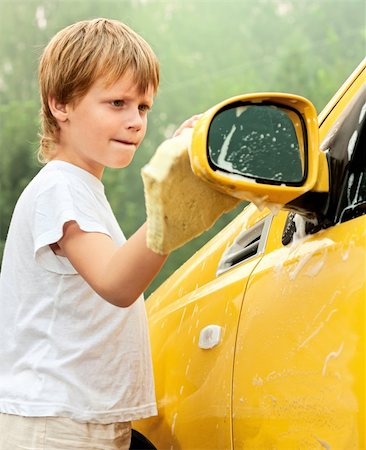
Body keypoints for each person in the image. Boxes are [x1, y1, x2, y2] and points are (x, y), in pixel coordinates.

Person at [0, 18, 199, 450]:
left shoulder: (81, 189)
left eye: (143, 108)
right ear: (60, 105)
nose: (135, 121)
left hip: (81, 419)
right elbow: (115, 282)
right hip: (54, 424)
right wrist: (175, 197)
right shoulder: (60, 187)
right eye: (117, 103)